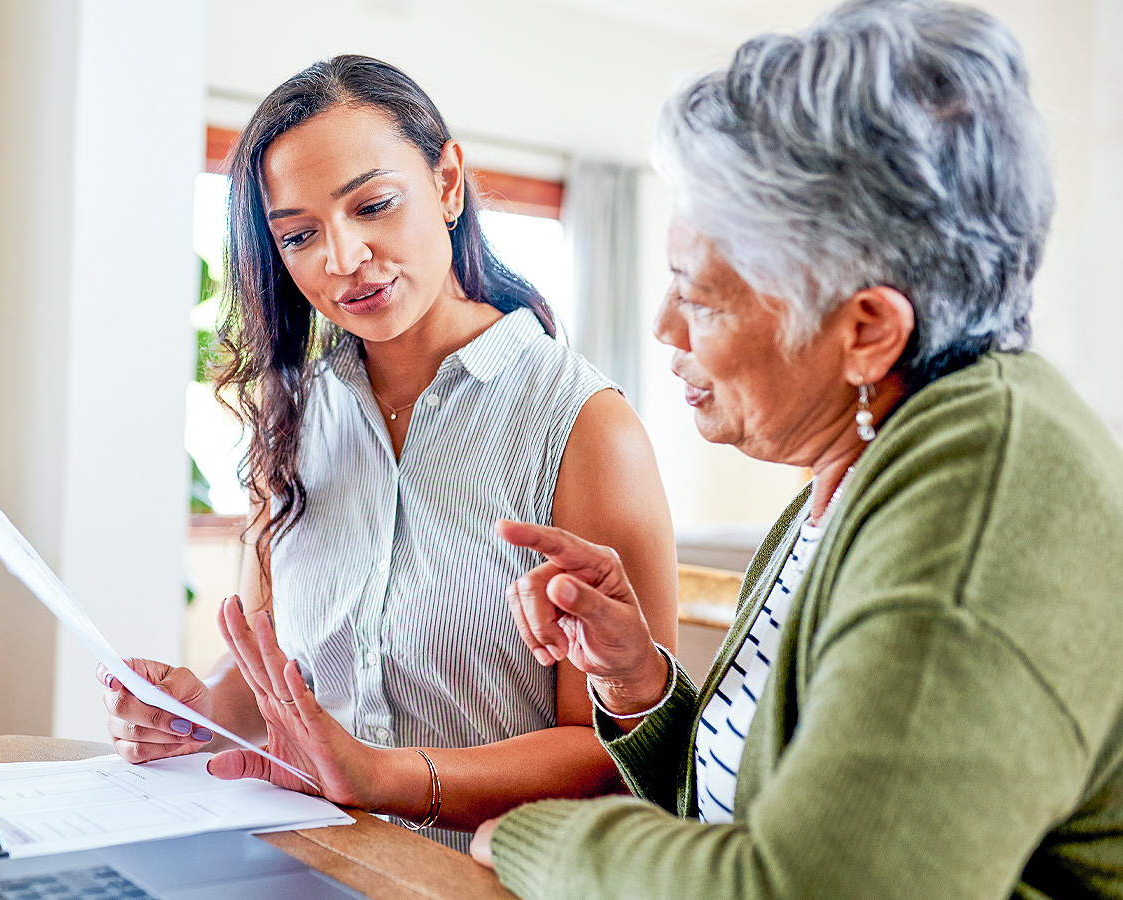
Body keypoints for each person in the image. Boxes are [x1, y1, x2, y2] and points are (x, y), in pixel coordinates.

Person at [461, 1, 1123, 896]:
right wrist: (637, 682)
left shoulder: (983, 494)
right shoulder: (858, 467)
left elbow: (812, 885)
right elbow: (751, 812)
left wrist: (533, 841)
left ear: (865, 330)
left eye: (698, 296)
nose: (664, 328)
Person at [98, 55, 678, 850]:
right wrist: (191, 713)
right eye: (299, 235)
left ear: (447, 184)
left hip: (478, 877)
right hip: (307, 860)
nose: (342, 260)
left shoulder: (584, 427)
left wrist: (384, 775)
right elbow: (276, 673)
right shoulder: (293, 414)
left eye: (372, 205)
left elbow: (618, 752)